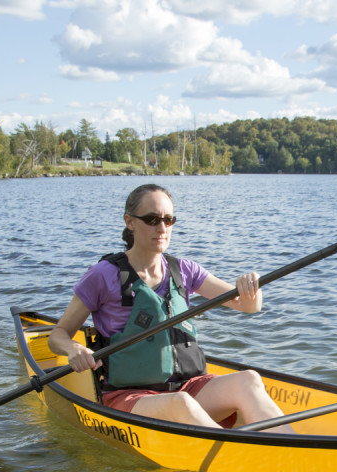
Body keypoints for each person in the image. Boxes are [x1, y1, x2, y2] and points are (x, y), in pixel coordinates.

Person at [48, 183, 291, 431]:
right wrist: (74, 348)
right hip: (130, 397)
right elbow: (58, 335)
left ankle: (288, 453)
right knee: (181, 404)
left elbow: (248, 307)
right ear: (129, 222)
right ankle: (239, 454)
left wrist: (252, 288)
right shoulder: (102, 276)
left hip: (188, 386)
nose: (162, 228)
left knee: (248, 380)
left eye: (168, 219)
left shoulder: (184, 270)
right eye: (152, 219)